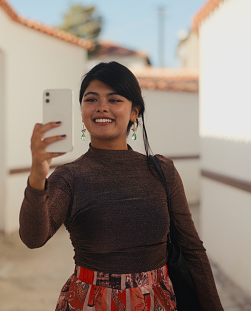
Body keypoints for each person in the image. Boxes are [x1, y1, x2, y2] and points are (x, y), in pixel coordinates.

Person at [19, 61, 223, 310]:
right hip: (89, 304)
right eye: (91, 99)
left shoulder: (161, 171)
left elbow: (192, 249)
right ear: (81, 110)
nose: (102, 107)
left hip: (156, 303)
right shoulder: (69, 176)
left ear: (135, 111)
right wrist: (37, 177)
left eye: (114, 100)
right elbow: (33, 238)